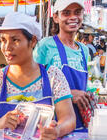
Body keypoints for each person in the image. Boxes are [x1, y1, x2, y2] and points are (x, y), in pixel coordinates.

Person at [0, 12, 76, 140]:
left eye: (15, 40)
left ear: (33, 41)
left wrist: (57, 130)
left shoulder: (53, 76)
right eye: (3, 40)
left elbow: (69, 118)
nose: (7, 47)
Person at [33, 0, 90, 131]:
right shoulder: (45, 46)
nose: (73, 17)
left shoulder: (84, 50)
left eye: (77, 12)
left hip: (80, 122)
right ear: (56, 17)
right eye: (66, 13)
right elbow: (32, 86)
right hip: (53, 124)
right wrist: (68, 94)